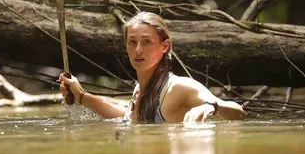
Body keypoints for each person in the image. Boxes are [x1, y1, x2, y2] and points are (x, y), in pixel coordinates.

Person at [58, 12, 244, 123]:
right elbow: (125, 117)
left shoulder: (179, 88)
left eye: (146, 42)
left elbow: (238, 112)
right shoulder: (140, 89)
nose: (138, 50)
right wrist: (81, 96)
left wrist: (212, 106)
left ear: (165, 46)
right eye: (132, 42)